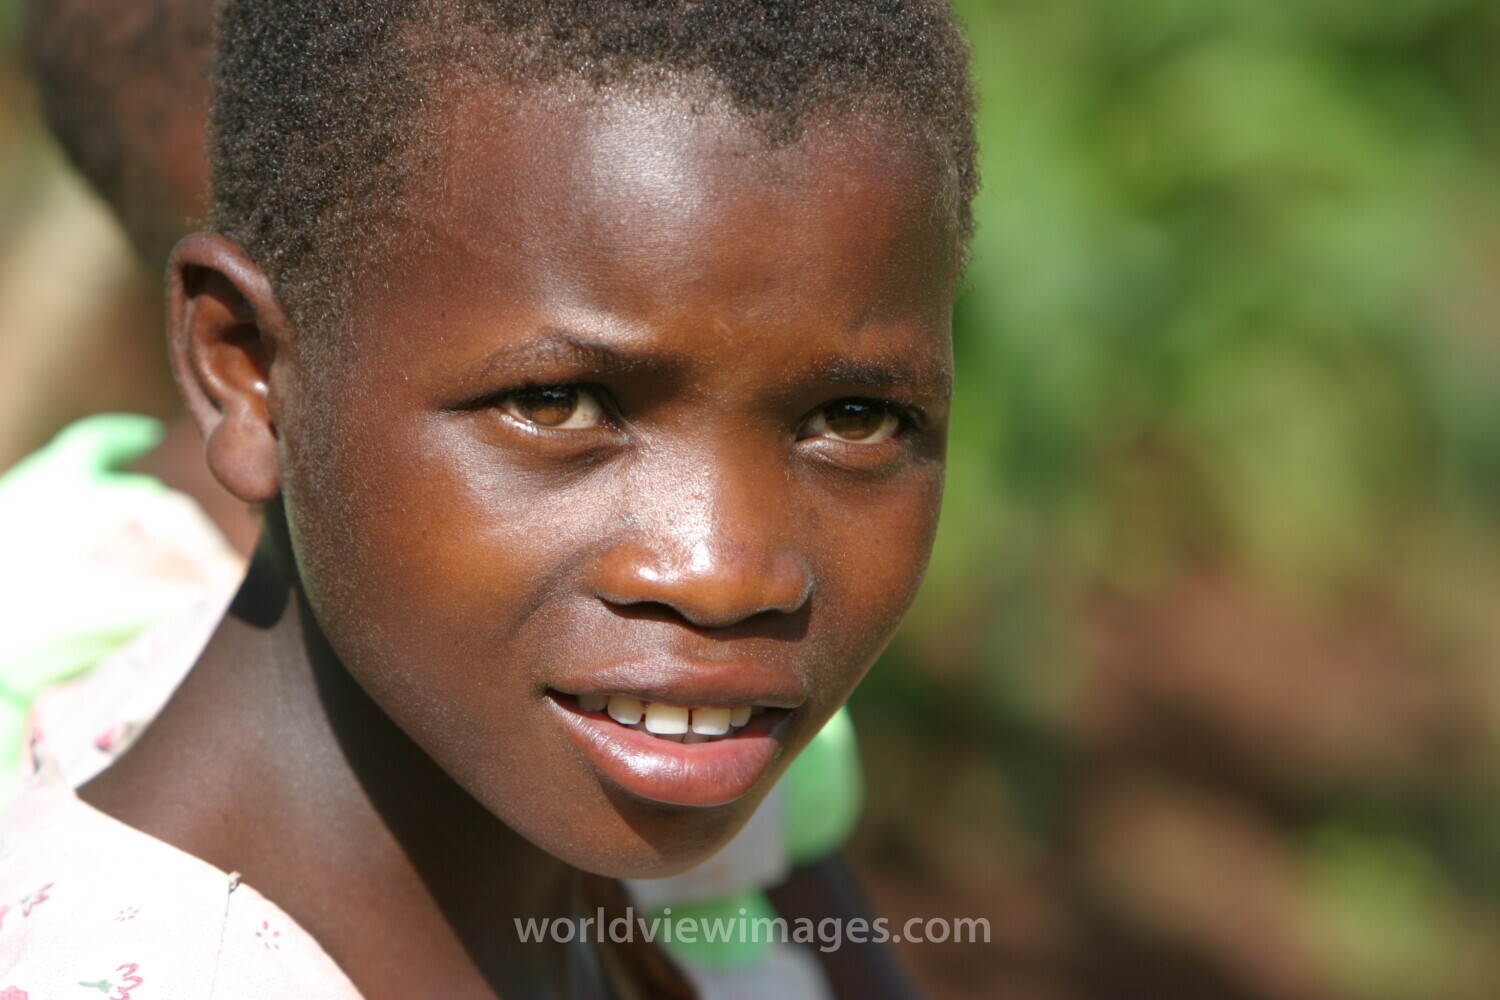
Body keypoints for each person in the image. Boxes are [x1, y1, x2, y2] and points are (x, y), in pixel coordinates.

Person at [0, 1, 976, 996]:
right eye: (558, 402)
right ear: (249, 370)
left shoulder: (561, 816)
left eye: (856, 416)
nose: (726, 573)